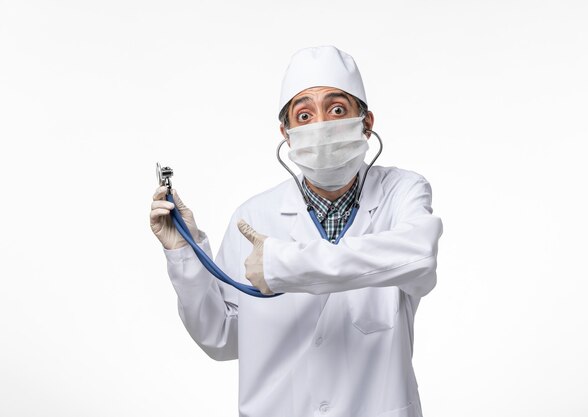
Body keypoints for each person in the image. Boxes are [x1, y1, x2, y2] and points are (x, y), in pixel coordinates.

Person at [150, 45, 443, 417]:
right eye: (303, 115)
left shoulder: (401, 192)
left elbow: (419, 257)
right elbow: (220, 337)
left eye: (337, 110)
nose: (320, 125)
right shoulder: (253, 216)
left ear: (366, 123)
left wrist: (280, 264)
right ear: (286, 134)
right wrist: (184, 256)